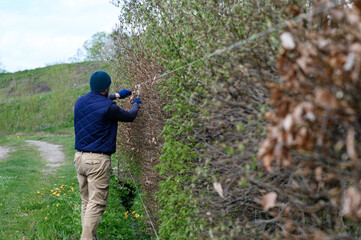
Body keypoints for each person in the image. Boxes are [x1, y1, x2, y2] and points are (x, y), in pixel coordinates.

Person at [73, 70, 141, 240]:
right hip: (97, 161)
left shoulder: (80, 101)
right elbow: (130, 116)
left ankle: (88, 236)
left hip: (79, 158)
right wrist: (136, 104)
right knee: (96, 204)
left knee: (87, 202)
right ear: (107, 86)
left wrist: (117, 95)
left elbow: (98, 101)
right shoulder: (108, 108)